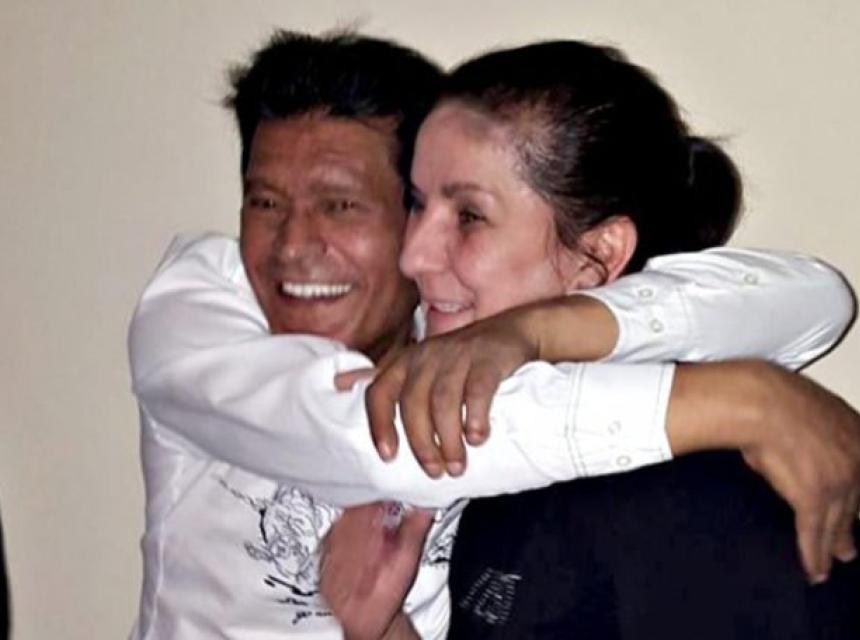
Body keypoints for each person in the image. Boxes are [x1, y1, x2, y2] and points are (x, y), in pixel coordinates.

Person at [128, 31, 858, 639]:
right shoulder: (204, 305)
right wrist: (741, 399)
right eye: (263, 202)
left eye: (343, 205)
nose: (292, 246)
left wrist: (535, 330)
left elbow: (813, 297)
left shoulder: (686, 505)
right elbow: (374, 434)